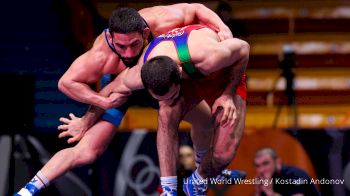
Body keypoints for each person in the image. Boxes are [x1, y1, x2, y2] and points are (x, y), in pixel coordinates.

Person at [15, 4, 234, 196]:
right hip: (120, 89)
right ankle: (28, 190)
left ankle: (199, 176)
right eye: (121, 46)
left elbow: (195, 8)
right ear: (111, 38)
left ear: (146, 32)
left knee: (205, 121)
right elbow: (66, 83)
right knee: (87, 151)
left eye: (134, 44)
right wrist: (100, 106)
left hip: (158, 80)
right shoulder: (100, 56)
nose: (128, 53)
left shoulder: (160, 18)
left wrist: (222, 27)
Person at [97, 24, 249, 195]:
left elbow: (244, 48)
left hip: (221, 77)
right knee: (166, 111)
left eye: (171, 94)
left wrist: (228, 94)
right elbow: (107, 91)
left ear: (179, 72)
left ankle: (200, 176)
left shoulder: (209, 55)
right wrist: (84, 121)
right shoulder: (137, 75)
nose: (169, 100)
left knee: (223, 155)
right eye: (160, 97)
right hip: (188, 78)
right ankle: (169, 190)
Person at [254, 147, 320, 196]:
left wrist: (271, 193)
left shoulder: (295, 175)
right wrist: (258, 192)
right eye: (258, 166)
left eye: (265, 163)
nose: (261, 170)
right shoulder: (266, 179)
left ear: (278, 162)